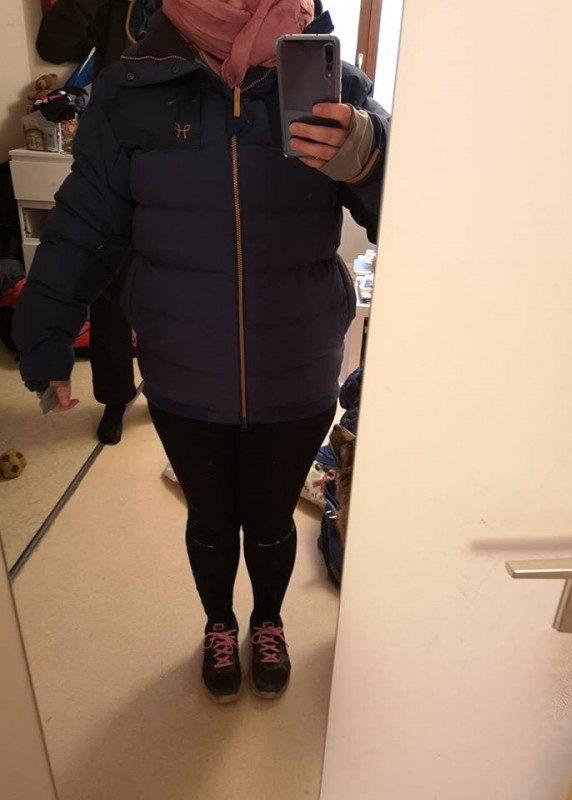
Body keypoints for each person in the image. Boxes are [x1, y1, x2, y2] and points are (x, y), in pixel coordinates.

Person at [14, 0, 389, 703]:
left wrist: (369, 157)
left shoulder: (333, 81)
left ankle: (268, 620)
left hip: (298, 364)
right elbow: (85, 222)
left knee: (272, 522)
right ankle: (220, 622)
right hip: (183, 367)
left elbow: (414, 210)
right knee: (211, 521)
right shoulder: (131, 87)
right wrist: (45, 334)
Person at [35, 0, 162, 444]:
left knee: (171, 293)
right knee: (108, 295)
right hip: (113, 162)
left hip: (180, 160)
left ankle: (164, 391)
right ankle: (115, 398)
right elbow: (53, 45)